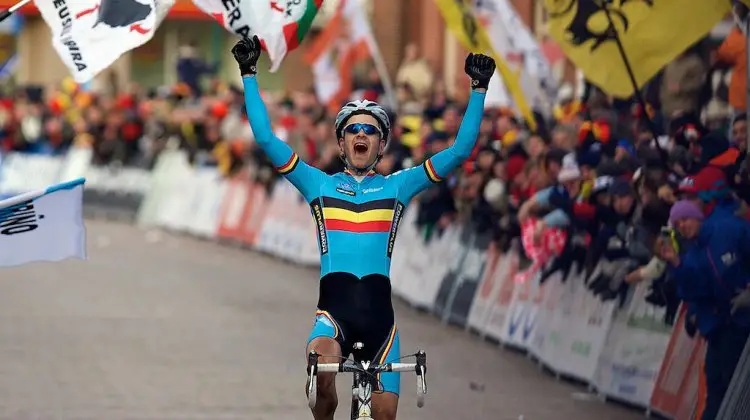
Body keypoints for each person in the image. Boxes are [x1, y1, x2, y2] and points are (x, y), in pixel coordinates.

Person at [231, 35, 495, 420]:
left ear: (382, 144)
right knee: (322, 376)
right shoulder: (318, 183)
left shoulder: (397, 187)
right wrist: (249, 74)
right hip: (332, 316)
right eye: (353, 130)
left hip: (380, 325)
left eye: (370, 131)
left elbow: (459, 151)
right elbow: (267, 139)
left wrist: (478, 90)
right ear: (341, 143)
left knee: (384, 416)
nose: (361, 135)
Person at [662, 199, 750, 420]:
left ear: (697, 217)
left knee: (734, 384)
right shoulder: (692, 254)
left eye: (686, 219)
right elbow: (696, 290)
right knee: (715, 383)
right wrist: (676, 264)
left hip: (742, 322)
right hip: (720, 327)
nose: (683, 225)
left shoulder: (728, 230)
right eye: (678, 223)